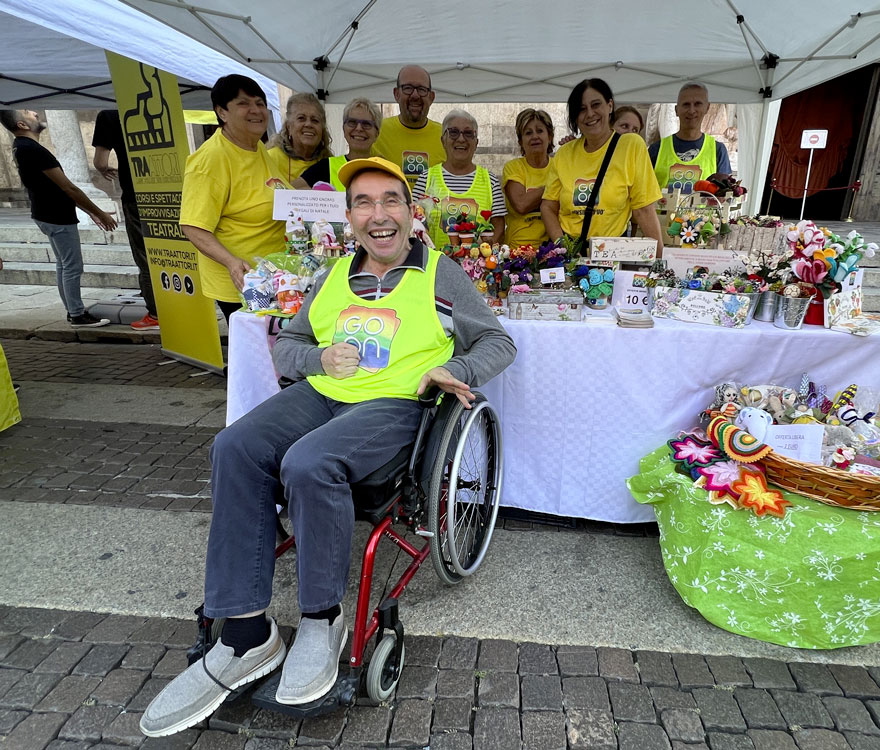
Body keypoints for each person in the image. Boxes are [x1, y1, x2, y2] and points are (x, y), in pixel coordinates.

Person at [138, 156, 516, 738]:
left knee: (310, 463)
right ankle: (246, 634)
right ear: (349, 218)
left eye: (390, 201)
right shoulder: (333, 274)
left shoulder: (439, 274)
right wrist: (318, 358)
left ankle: (323, 617)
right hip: (323, 395)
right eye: (364, 203)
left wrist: (454, 369)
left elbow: (498, 342)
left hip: (394, 405)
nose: (378, 215)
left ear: (412, 212)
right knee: (234, 447)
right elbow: (286, 346)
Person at [179, 75, 287, 324]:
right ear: (222, 112)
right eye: (243, 103)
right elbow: (193, 226)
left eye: (260, 103)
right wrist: (231, 262)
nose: (256, 110)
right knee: (258, 345)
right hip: (244, 284)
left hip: (273, 275)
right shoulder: (211, 159)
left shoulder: (256, 147)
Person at [1, 109, 118, 328]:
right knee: (72, 266)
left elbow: (57, 188)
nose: (34, 113)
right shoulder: (33, 149)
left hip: (46, 214)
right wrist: (99, 212)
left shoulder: (21, 147)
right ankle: (77, 314)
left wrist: (90, 211)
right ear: (22, 125)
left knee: (63, 264)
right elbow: (68, 187)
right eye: (27, 112)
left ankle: (73, 310)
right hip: (56, 216)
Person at [540, 79, 662, 252]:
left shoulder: (631, 146)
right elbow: (548, 206)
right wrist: (563, 247)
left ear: (610, 106)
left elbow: (643, 209)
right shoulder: (564, 153)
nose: (590, 114)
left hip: (611, 255)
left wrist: (661, 257)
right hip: (572, 255)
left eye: (596, 105)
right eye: (582, 109)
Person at [93, 109, 159, 330]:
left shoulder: (109, 114)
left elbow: (100, 161)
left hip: (136, 193)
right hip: (169, 191)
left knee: (145, 256)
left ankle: (156, 314)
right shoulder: (158, 104)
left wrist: (105, 170)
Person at [413, 110, 506, 248]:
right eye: (454, 132)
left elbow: (499, 229)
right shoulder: (426, 179)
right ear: (443, 140)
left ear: (476, 142)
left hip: (478, 261)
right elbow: (413, 223)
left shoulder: (490, 181)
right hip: (433, 260)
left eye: (468, 133)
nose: (461, 139)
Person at [371, 65, 446, 192]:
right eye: (408, 88)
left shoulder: (446, 136)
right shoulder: (376, 132)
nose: (415, 95)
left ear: (431, 97)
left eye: (422, 89)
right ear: (396, 94)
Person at [648, 82, 732, 194]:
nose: (691, 110)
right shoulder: (656, 149)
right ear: (676, 110)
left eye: (697, 104)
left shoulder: (718, 150)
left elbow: (724, 195)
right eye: (686, 104)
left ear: (707, 108)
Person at [293, 97, 381, 189]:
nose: (359, 128)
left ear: (377, 133)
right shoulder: (326, 167)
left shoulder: (384, 169)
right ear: (344, 129)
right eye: (352, 122)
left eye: (366, 124)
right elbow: (289, 192)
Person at [502, 108, 554, 247]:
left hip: (552, 248)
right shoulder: (513, 167)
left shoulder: (559, 166)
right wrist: (553, 186)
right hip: (517, 249)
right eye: (528, 133)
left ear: (550, 136)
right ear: (520, 141)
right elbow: (521, 204)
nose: (534, 136)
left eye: (540, 131)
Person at [267, 93, 332, 183]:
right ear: (288, 127)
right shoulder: (271, 159)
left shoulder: (329, 163)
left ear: (322, 130)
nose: (308, 124)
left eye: (315, 120)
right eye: (301, 118)